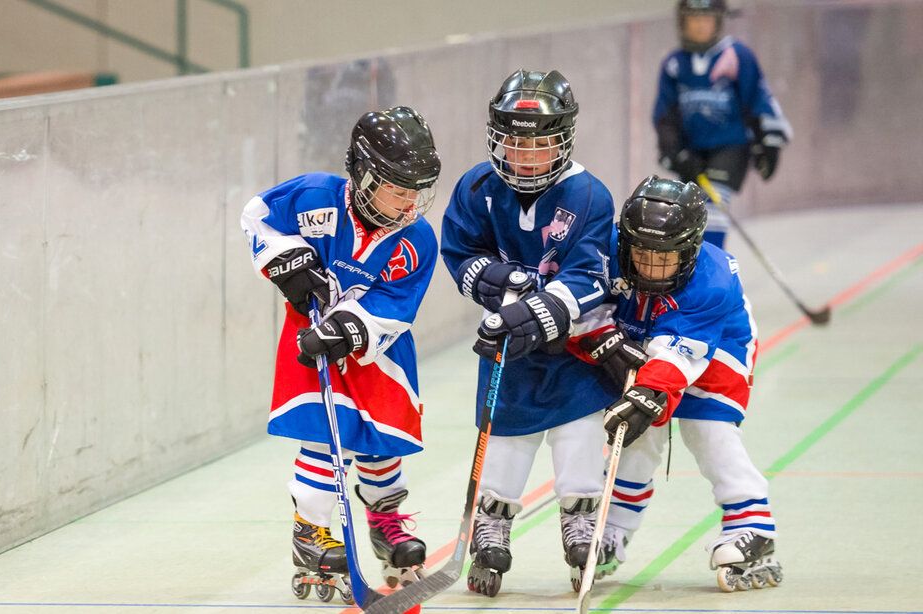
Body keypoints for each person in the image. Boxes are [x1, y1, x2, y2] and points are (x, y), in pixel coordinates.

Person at [240, 106, 441, 603]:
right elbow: (257, 217)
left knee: (381, 441)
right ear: (366, 175)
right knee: (325, 437)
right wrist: (283, 260)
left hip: (376, 353)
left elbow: (398, 307)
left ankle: (385, 522)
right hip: (312, 343)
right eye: (398, 188)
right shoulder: (314, 196)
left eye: (416, 189)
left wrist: (351, 330)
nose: (410, 201)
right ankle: (311, 532)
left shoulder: (417, 239)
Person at [441, 69, 619, 596]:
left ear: (562, 141)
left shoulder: (589, 195)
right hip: (507, 343)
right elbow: (459, 255)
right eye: (516, 142)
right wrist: (502, 285)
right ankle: (491, 523)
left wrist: (530, 313)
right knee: (506, 436)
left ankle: (582, 518)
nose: (526, 156)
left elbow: (589, 277)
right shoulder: (477, 186)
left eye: (540, 145)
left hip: (576, 346)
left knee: (578, 434)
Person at [574, 175, 783, 593]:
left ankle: (752, 523)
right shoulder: (608, 251)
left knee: (707, 429)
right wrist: (602, 343)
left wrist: (647, 394)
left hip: (719, 345)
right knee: (634, 436)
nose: (650, 267)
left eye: (664, 258)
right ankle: (613, 528)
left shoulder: (713, 279)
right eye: (641, 254)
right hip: (641, 339)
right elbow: (583, 303)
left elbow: (678, 358)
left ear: (687, 251)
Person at [654, 0, 792, 248]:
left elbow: (760, 99)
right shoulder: (674, 64)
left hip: (731, 146)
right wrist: (674, 151)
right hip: (692, 151)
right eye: (692, 19)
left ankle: (714, 263)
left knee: (714, 206)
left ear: (718, 21)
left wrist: (769, 142)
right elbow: (665, 115)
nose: (698, 26)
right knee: (690, 212)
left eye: (705, 19)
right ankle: (694, 271)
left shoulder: (737, 55)